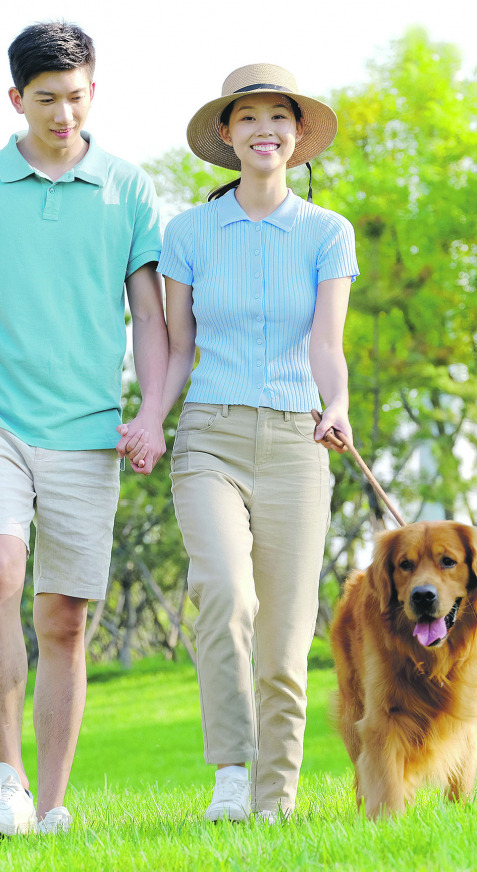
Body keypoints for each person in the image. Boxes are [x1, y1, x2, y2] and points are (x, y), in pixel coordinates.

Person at [0, 21, 169, 836]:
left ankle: (51, 804)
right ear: (15, 99)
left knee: (65, 618)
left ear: (94, 92)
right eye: (44, 99)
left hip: (88, 426)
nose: (61, 114)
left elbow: (148, 316)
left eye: (75, 97)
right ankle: (5, 778)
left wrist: (149, 412)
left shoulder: (129, 187)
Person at [138, 62, 358, 822]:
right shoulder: (188, 232)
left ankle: (275, 799)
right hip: (211, 435)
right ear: (226, 135)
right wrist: (149, 419)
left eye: (278, 117)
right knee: (225, 594)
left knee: (286, 632)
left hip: (299, 443)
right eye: (248, 117)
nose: (264, 129)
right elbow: (174, 343)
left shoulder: (328, 233)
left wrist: (338, 405)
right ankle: (231, 774)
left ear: (297, 138)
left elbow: (327, 344)